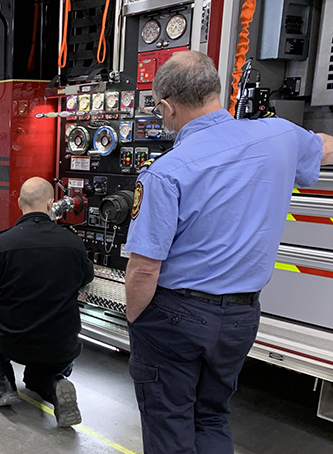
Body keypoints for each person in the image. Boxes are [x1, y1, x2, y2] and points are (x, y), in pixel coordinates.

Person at [124, 50, 333, 454]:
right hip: (240, 318)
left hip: (174, 316)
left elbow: (144, 269)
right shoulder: (281, 136)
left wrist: (139, 324)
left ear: (167, 107)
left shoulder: (166, 171)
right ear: (214, 91)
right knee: (212, 416)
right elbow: (324, 147)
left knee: (169, 425)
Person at [0, 177, 93, 427]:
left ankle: (3, 383)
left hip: (13, 342)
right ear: (52, 204)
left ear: (19, 203)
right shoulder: (73, 242)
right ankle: (55, 384)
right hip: (63, 345)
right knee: (39, 373)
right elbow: (86, 278)